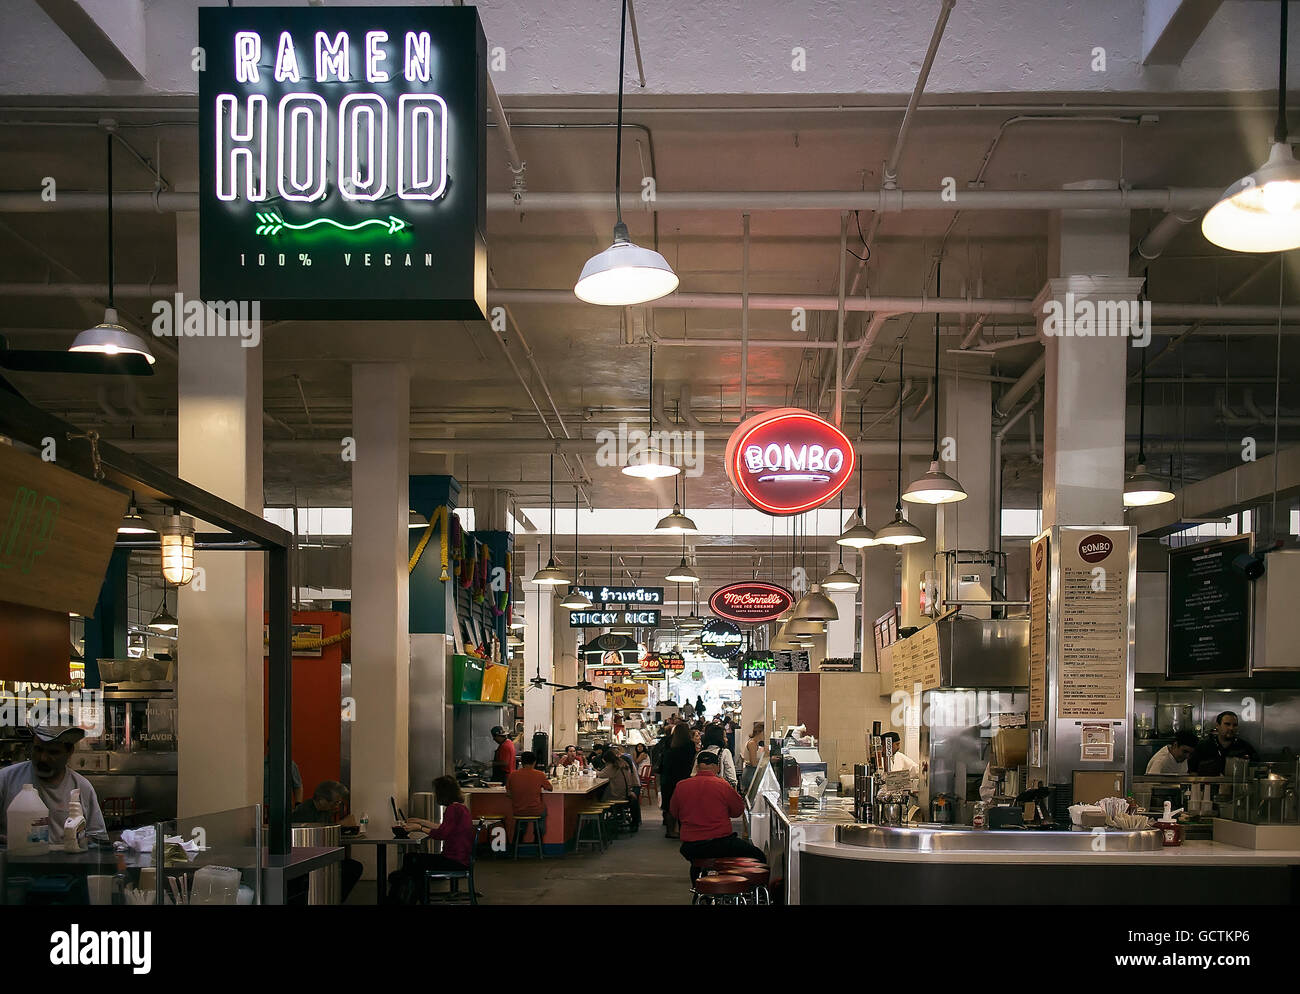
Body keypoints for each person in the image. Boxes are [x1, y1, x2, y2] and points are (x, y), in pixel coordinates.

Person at [0, 725, 106, 846]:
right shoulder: (5, 780)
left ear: (69, 752)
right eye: (38, 749)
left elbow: (98, 838)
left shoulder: (82, 787)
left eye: (53, 752)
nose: (43, 758)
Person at [670, 751, 765, 880]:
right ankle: (747, 891)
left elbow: (674, 812)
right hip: (720, 843)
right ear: (717, 767)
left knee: (697, 863)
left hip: (691, 846)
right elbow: (737, 811)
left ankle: (699, 889)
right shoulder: (722, 785)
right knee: (758, 856)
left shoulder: (681, 786)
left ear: (697, 767)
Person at [390, 775, 478, 904]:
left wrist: (419, 828)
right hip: (461, 859)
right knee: (413, 862)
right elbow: (444, 828)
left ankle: (406, 898)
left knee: (411, 860)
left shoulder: (452, 809)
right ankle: (412, 897)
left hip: (454, 861)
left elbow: (441, 834)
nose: (435, 794)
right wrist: (421, 821)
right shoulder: (460, 808)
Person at [291, 781, 361, 902]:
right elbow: (314, 836)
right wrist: (339, 825)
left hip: (320, 855)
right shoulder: (304, 813)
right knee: (352, 868)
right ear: (322, 800)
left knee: (353, 867)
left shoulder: (324, 811)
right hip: (305, 859)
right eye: (336, 803)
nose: (337, 806)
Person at [1189, 711, 1259, 776]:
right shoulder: (1203, 746)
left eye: (1234, 725)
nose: (1231, 728)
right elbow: (1193, 772)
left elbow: (1256, 770)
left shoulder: (1244, 747)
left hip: (1235, 787)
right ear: (1217, 725)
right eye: (1227, 724)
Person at [505, 750, 553, 845]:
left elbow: (508, 794)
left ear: (521, 762)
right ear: (534, 762)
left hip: (518, 810)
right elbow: (550, 788)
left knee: (522, 819)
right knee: (543, 812)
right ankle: (538, 838)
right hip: (535, 810)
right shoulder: (540, 774)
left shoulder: (512, 775)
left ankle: (518, 841)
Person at [660, 722, 697, 839]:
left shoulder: (669, 743)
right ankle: (682, 830)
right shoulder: (689, 745)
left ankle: (670, 830)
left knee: (669, 804)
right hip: (683, 778)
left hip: (667, 778)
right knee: (683, 805)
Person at [690, 722, 739, 789]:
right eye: (724, 736)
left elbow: (693, 774)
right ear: (719, 738)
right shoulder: (725, 752)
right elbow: (732, 778)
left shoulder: (701, 753)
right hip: (719, 789)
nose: (726, 739)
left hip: (701, 789)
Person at [601, 751, 641, 831]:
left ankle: (599, 825)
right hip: (627, 793)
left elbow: (600, 775)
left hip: (617, 796)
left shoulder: (612, 766)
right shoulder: (623, 763)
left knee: (598, 798)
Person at [263, 741, 303, 818]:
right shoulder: (261, 765)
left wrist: (298, 804)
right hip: (265, 807)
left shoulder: (290, 765)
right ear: (268, 747)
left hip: (284, 807)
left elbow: (298, 786)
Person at [739, 722, 766, 793]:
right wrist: (765, 763)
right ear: (759, 732)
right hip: (751, 773)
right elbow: (754, 763)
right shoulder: (752, 744)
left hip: (752, 772)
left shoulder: (756, 743)